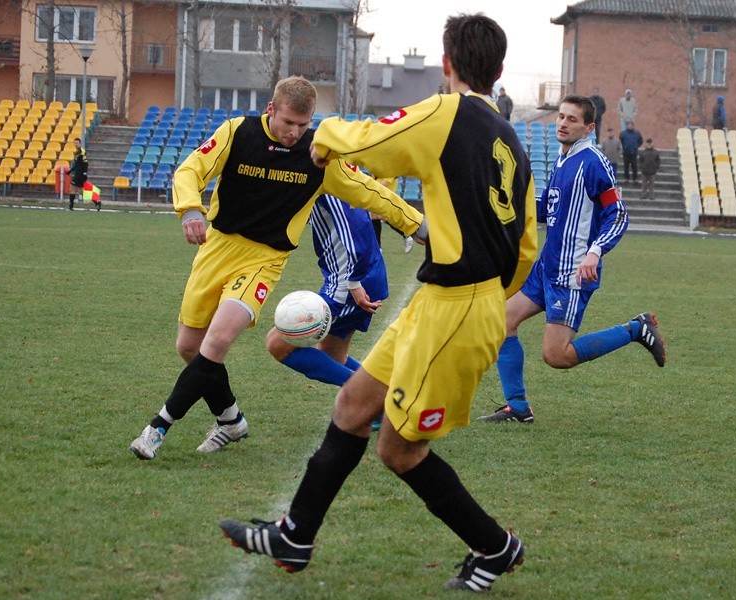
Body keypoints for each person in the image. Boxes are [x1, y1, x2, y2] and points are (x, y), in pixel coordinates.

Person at [220, 14, 537, 594]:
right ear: (497, 69)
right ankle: (296, 535)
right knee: (353, 401)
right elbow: (527, 245)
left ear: (446, 65)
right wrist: (488, 296)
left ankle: (495, 546)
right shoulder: (512, 139)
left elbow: (375, 141)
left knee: (399, 450)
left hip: (455, 307)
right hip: (452, 299)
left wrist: (324, 140)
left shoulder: (446, 112)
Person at [128, 76, 424, 461]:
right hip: (216, 249)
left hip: (263, 260)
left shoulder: (319, 156)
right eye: (289, 123)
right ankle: (231, 419)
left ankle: (157, 428)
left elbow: (371, 193)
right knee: (190, 348)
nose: (296, 133)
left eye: (304, 125)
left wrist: (416, 224)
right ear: (272, 109)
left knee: (217, 342)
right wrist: (189, 208)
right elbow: (189, 170)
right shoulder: (237, 133)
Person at [478, 96, 665, 425]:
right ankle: (518, 407)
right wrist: (500, 208)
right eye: (560, 117)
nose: (562, 123)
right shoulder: (562, 160)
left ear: (589, 128)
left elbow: (617, 215)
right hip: (546, 269)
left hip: (572, 274)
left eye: (572, 119)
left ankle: (636, 329)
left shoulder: (594, 162)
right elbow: (546, 210)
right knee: (502, 321)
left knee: (557, 356)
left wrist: (595, 252)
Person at [266, 193, 387, 389]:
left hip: (350, 282)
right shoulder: (337, 174)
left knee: (278, 344)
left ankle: (374, 399)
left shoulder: (329, 176)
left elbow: (357, 224)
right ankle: (383, 398)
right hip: (358, 276)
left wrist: (354, 282)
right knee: (333, 355)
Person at [369, 176, 414, 253]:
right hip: (376, 188)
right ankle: (378, 248)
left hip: (385, 191)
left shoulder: (390, 169)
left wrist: (373, 187)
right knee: (373, 216)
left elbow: (387, 181)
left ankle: (406, 235)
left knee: (384, 217)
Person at [67, 138, 87, 211]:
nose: (76, 144)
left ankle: (96, 200)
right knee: (79, 191)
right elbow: (77, 164)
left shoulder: (82, 152)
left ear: (80, 143)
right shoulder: (77, 152)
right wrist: (71, 170)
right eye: (74, 143)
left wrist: (85, 173)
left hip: (80, 174)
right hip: (77, 173)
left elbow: (85, 163)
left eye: (77, 143)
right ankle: (71, 206)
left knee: (74, 189)